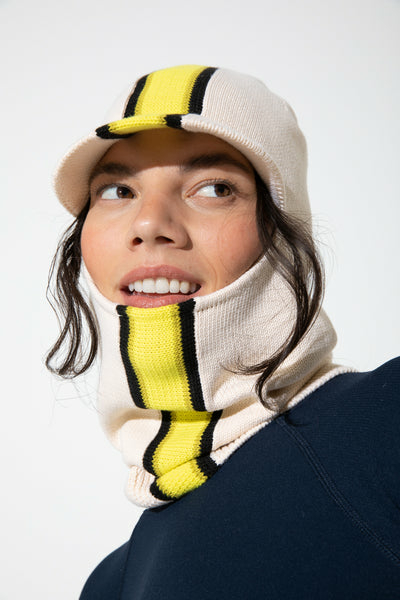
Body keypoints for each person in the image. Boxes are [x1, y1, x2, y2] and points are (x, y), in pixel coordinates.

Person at [48, 65, 400, 599]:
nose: (149, 223)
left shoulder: (384, 427)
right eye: (118, 190)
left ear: (283, 232)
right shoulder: (108, 584)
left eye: (214, 188)